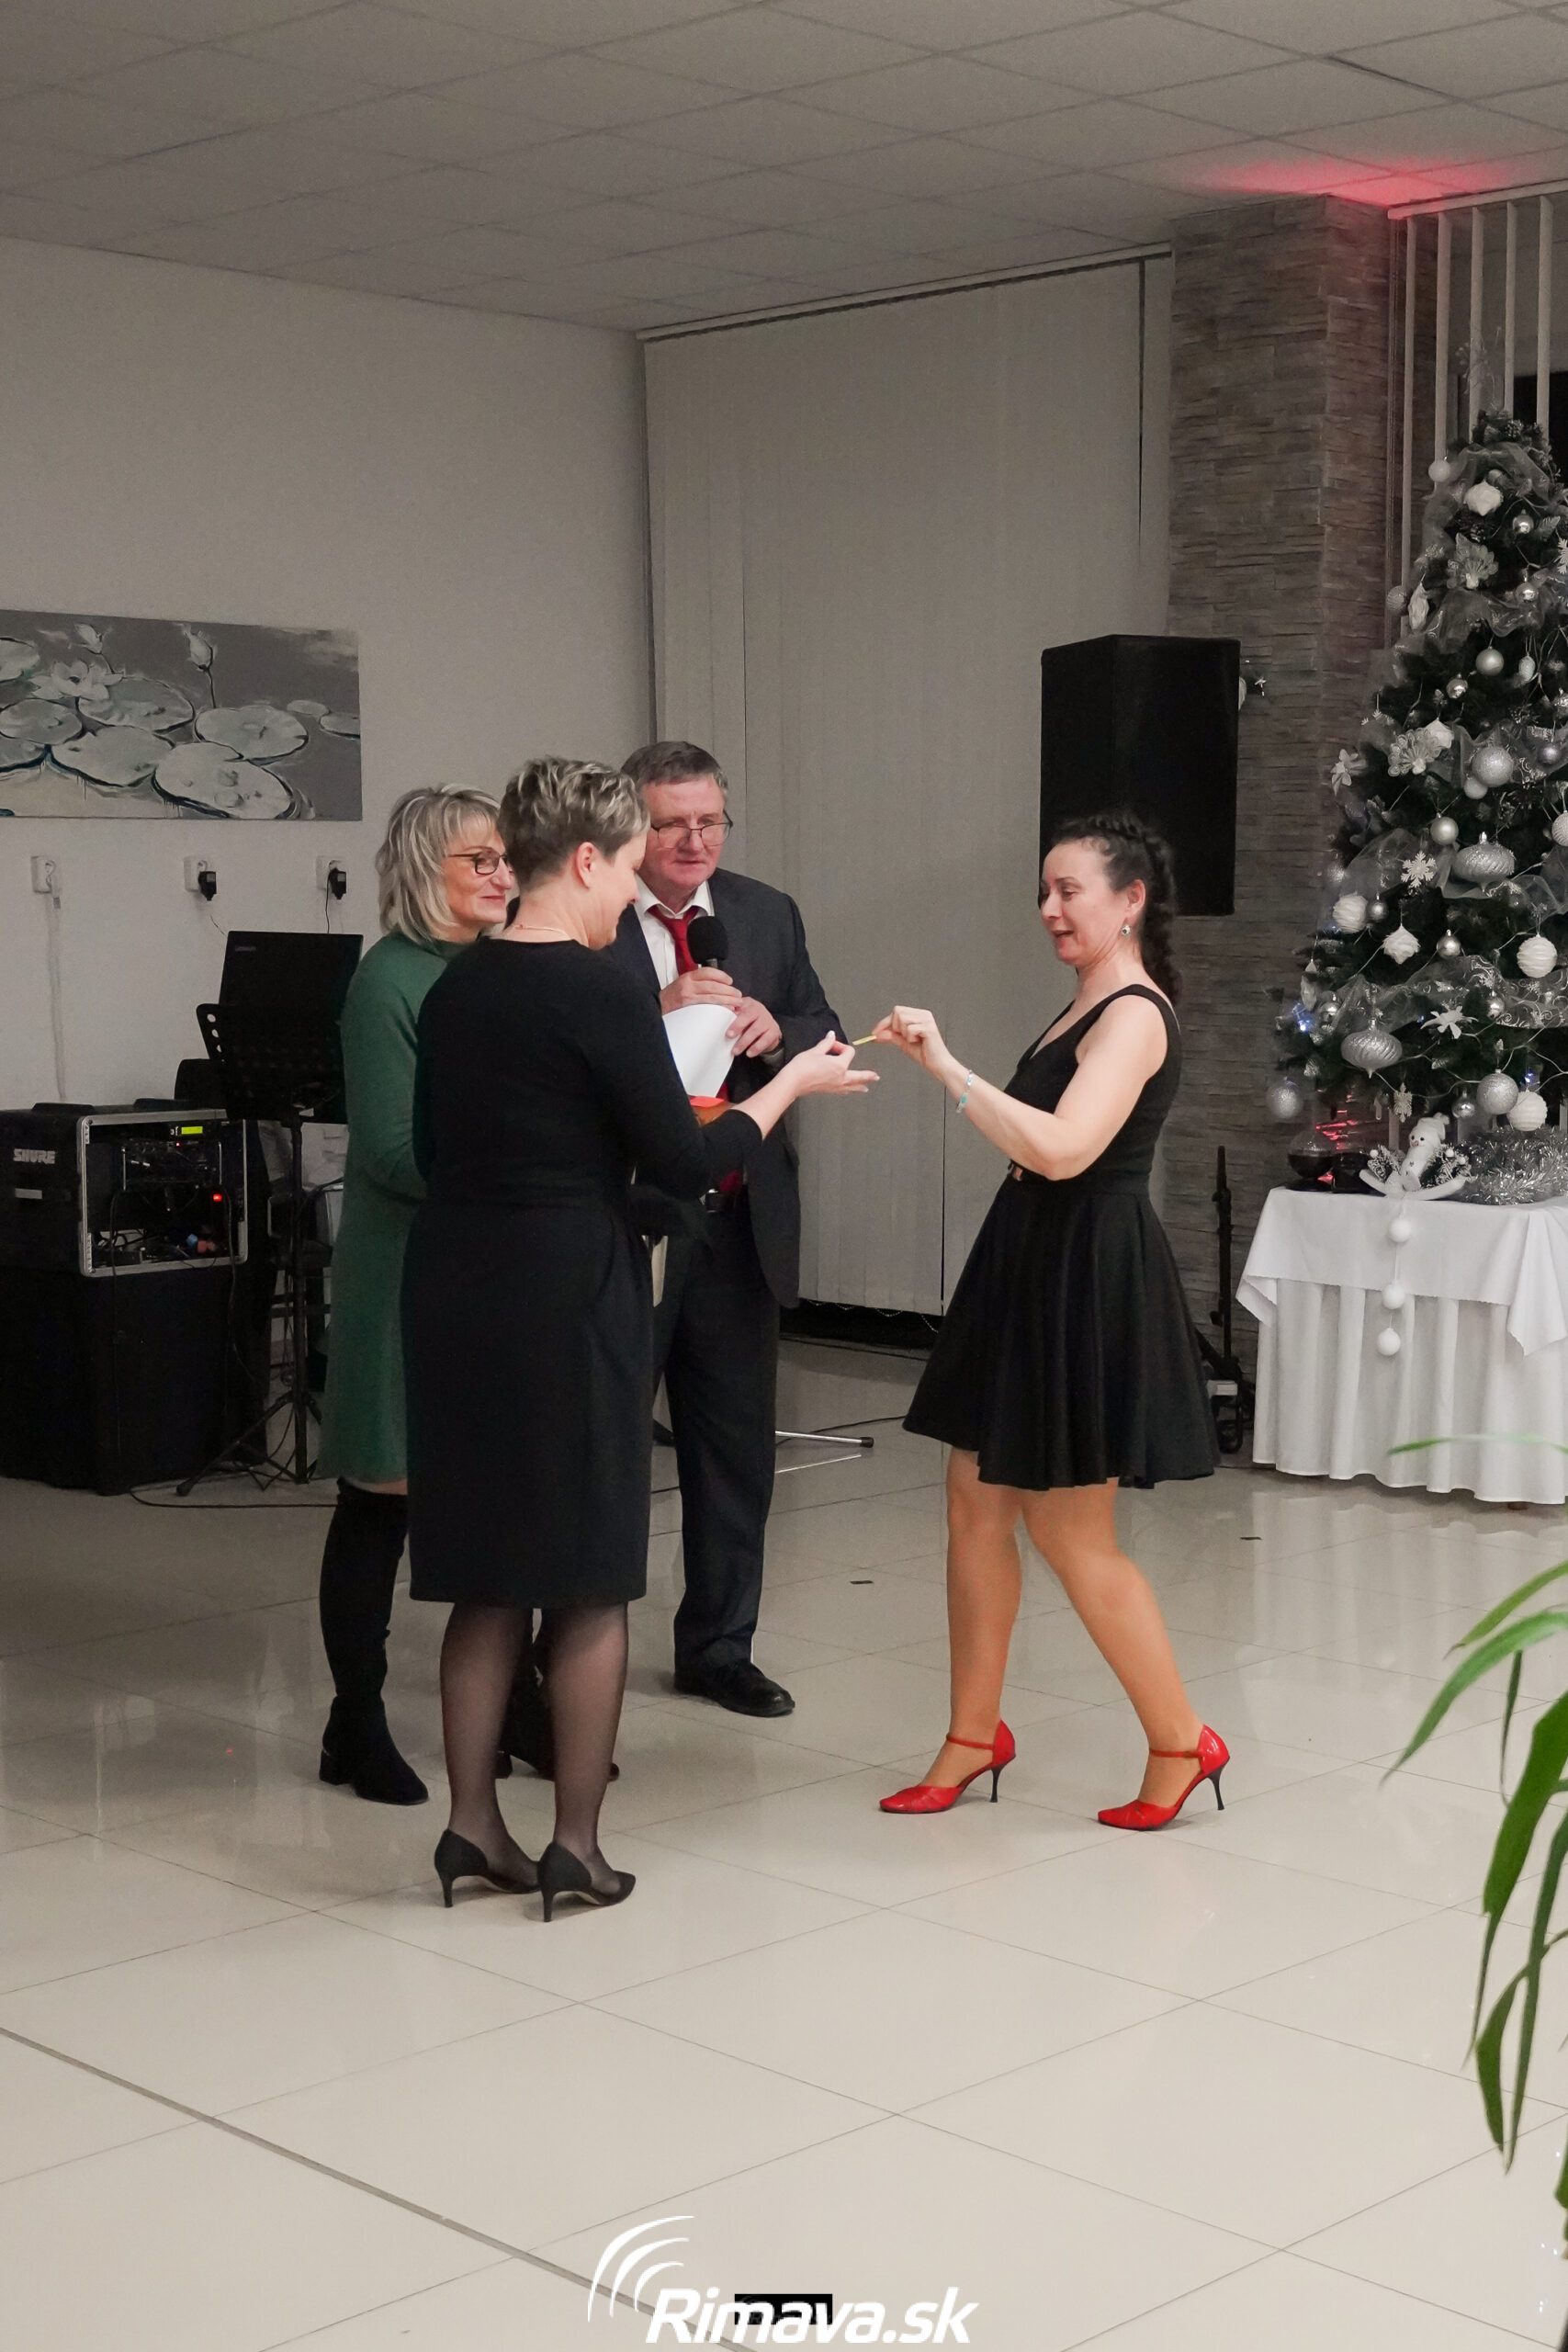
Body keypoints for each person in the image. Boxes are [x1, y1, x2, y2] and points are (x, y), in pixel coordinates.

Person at [403, 758, 873, 1920]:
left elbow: (434, 1151)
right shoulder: (597, 988)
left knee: (486, 1578)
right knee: (590, 1578)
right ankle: (575, 1845)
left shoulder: (456, 987)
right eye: (624, 865)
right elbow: (690, 1160)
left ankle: (470, 1828)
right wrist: (788, 1087)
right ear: (584, 859)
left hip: (456, 1289)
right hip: (568, 1291)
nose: (631, 891)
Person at [873, 811, 1226, 1830]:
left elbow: (1065, 1149)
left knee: (1072, 1530)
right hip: (1031, 1261)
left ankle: (1182, 1739)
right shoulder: (1085, 1004)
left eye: (1069, 890)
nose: (1049, 909)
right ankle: (971, 1734)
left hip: (1085, 1273)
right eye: (1044, 891)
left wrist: (947, 1067)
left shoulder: (1135, 1015)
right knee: (974, 1501)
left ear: (1130, 901)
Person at [607, 741, 845, 1720]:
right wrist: (656, 1009)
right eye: (673, 824)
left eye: (710, 821)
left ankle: (719, 1646)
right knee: (608, 1450)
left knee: (735, 1453)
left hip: (741, 1220)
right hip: (629, 1225)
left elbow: (824, 1023)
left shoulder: (764, 912)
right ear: (632, 829)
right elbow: (564, 1045)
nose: (695, 841)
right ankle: (571, 1652)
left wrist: (778, 1033)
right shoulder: (593, 919)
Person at [316, 786, 524, 1805]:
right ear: (421, 870)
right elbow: (395, 1152)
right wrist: (531, 1165)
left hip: (492, 1270)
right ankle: (353, 1722)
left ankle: (521, 1706)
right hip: (403, 1273)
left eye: (503, 858)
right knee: (382, 1500)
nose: (500, 874)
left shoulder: (502, 967)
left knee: (501, 1498)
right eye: (477, 860)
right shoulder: (387, 982)